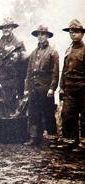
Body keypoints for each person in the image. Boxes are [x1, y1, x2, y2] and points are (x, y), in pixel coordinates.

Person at [23, 25, 59, 147]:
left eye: (43, 34)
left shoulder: (52, 52)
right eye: (39, 34)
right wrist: (27, 89)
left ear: (47, 36)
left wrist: (52, 88)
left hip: (45, 88)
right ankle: (35, 137)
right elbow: (28, 72)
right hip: (34, 88)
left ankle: (52, 138)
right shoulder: (33, 53)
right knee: (33, 113)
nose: (41, 37)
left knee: (48, 113)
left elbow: (55, 72)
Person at [58, 19, 85, 152]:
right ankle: (70, 141)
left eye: (76, 32)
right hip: (69, 88)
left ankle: (83, 143)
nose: (73, 34)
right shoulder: (69, 49)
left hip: (82, 88)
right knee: (68, 114)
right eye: (71, 32)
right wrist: (61, 86)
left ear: (82, 34)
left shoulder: (84, 50)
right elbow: (64, 69)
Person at [0, 17, 26, 116]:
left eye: (8, 27)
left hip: (14, 79)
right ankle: (3, 131)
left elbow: (24, 63)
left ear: (12, 28)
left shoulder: (18, 43)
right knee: (2, 106)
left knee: (14, 107)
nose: (6, 29)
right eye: (4, 27)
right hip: (3, 80)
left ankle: (13, 131)